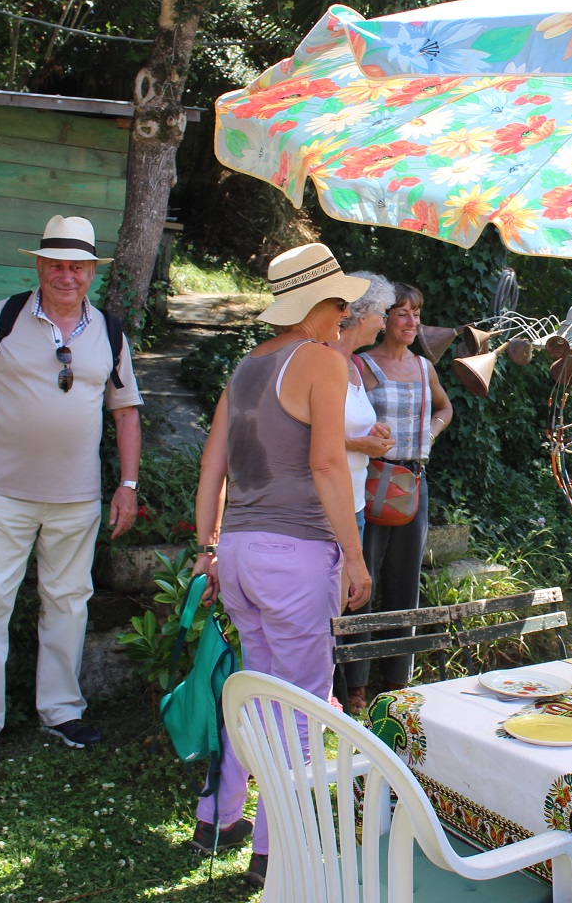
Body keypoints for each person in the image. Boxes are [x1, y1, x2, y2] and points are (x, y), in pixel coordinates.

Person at [187, 242, 372, 887]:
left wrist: (205, 549)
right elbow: (327, 463)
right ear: (323, 303)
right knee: (297, 707)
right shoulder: (320, 360)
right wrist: (355, 555)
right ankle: (278, 849)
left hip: (236, 554)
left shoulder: (244, 368)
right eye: (342, 299)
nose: (347, 310)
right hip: (294, 557)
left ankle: (220, 816)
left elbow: (212, 465)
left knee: (256, 697)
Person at [0, 215, 142, 771]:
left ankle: (61, 712)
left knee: (69, 604)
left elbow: (126, 414)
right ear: (39, 266)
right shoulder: (1, 319)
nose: (67, 275)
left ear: (91, 273)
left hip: (77, 498)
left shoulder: (110, 332)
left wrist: (127, 485)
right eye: (57, 264)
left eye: (77, 266)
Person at [344, 282, 453, 708]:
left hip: (413, 484)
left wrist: (431, 431)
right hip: (370, 482)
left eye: (416, 313)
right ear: (384, 319)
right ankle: (354, 683)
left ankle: (396, 682)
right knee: (362, 580)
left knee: (405, 582)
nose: (412, 322)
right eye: (402, 313)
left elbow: (445, 408)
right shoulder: (361, 365)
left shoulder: (426, 368)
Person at [335, 272, 398, 536]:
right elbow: (297, 435)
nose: (384, 325)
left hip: (354, 505)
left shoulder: (355, 364)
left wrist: (370, 435)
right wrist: (358, 445)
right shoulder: (322, 360)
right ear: (362, 314)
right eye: (383, 315)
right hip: (324, 510)